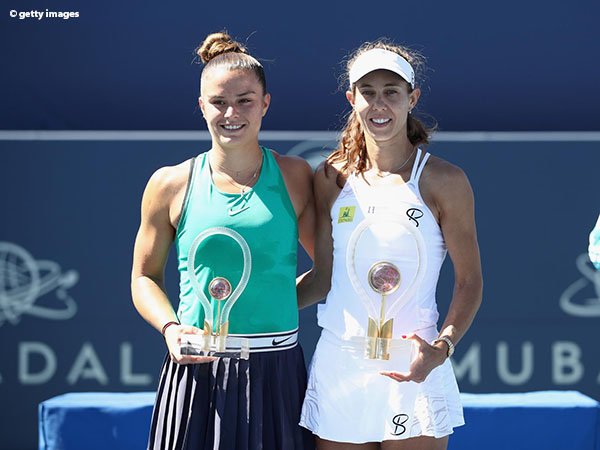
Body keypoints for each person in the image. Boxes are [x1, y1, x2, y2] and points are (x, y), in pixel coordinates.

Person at [131, 32, 315, 450]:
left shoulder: (296, 177)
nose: (231, 113)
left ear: (266, 103)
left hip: (278, 371)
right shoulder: (169, 183)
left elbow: (326, 271)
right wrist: (171, 328)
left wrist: (271, 301)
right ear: (201, 107)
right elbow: (144, 277)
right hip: (195, 371)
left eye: (245, 100)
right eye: (218, 102)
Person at [297, 39, 483, 449]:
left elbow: (469, 281)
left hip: (413, 363)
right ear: (351, 99)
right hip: (340, 364)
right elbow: (325, 277)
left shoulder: (445, 181)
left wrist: (441, 347)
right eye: (368, 93)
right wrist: (252, 310)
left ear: (412, 98)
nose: (379, 105)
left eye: (391, 93)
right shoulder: (331, 177)